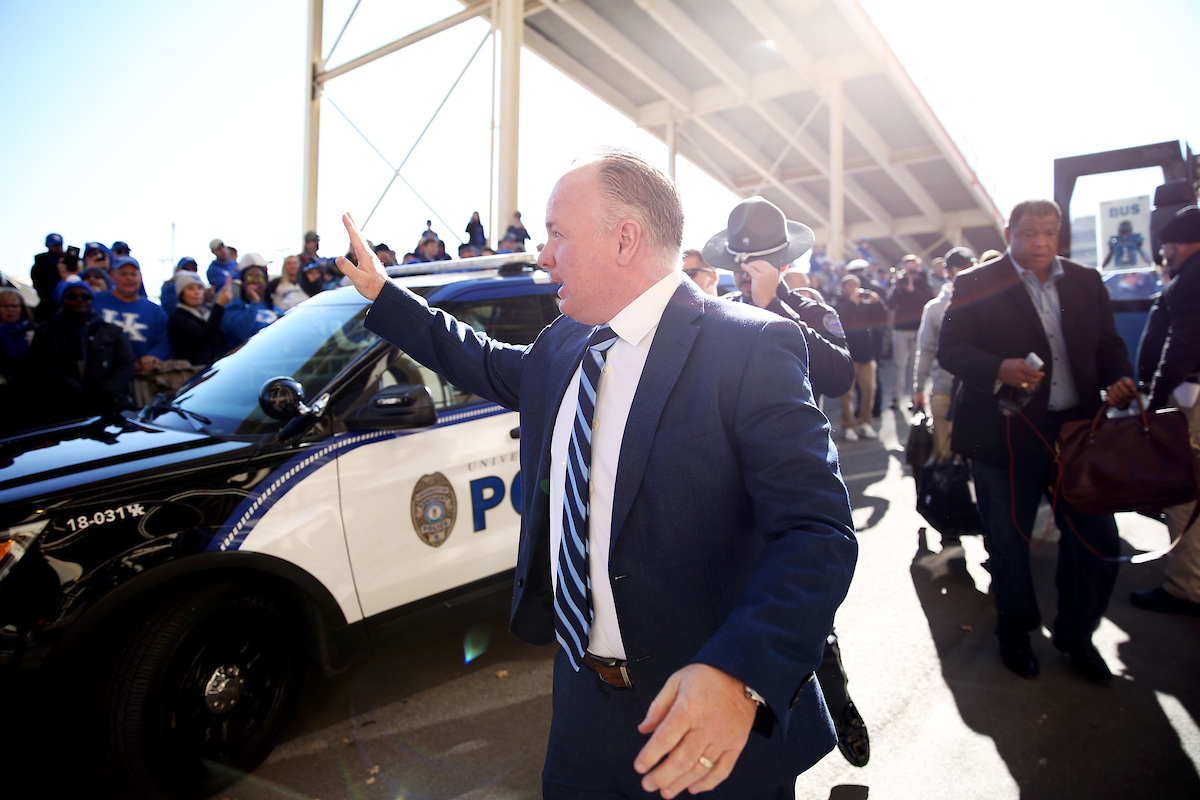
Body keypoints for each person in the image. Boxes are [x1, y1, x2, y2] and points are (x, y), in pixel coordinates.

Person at [338, 148, 856, 799]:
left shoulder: (750, 346)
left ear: (625, 239)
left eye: (557, 235)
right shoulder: (564, 344)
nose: (542, 255)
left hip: (707, 715)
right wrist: (387, 295)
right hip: (585, 705)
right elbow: (485, 362)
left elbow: (817, 532)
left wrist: (739, 675)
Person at [938, 198, 1137, 682]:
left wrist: (1120, 378)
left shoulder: (1087, 282)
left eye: (1049, 233)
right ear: (1009, 232)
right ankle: (1016, 633)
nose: (1039, 244)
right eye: (1029, 234)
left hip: (1076, 435)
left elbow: (1108, 345)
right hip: (1004, 435)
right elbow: (951, 349)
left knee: (1098, 541)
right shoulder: (977, 283)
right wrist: (998, 368)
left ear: (1060, 233)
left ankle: (1076, 633)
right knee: (1007, 544)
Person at [702, 196, 867, 768]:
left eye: (756, 264)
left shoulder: (812, 308)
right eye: (741, 266)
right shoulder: (716, 310)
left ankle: (834, 698)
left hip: (793, 474)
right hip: (729, 480)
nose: (745, 275)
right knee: (750, 594)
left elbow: (841, 374)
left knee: (804, 590)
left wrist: (776, 306)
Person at [1129, 205, 1200, 616]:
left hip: (1191, 399)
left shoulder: (1192, 279)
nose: (1165, 252)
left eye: (1168, 245)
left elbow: (1182, 345)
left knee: (1184, 493)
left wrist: (1156, 401)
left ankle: (1186, 588)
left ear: (1180, 242)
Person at [29, 279, 135, 424]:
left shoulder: (112, 331)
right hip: (60, 409)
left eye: (85, 297)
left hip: (108, 407)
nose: (79, 300)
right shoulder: (46, 332)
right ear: (62, 300)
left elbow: (125, 364)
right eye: (72, 296)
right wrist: (76, 390)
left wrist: (105, 391)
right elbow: (40, 366)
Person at [913, 247, 977, 462]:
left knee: (980, 460)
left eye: (971, 266)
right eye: (963, 267)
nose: (969, 271)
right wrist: (919, 388)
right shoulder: (935, 309)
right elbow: (926, 349)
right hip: (944, 390)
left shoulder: (986, 301)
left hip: (979, 391)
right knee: (947, 459)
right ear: (949, 272)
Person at [92, 256, 171, 375]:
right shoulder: (94, 301)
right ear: (112, 276)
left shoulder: (155, 311)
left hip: (138, 377)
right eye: (123, 274)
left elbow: (164, 342)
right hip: (97, 375)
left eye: (133, 274)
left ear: (140, 278)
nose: (129, 278)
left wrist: (153, 355)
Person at [833, 271, 887, 441]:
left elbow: (883, 317)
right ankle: (848, 425)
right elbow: (840, 320)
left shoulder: (866, 304)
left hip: (867, 353)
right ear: (843, 288)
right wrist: (851, 302)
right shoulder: (840, 304)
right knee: (847, 394)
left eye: (856, 284)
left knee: (869, 391)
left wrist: (878, 303)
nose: (855, 288)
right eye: (850, 285)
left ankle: (865, 423)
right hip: (848, 354)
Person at [886, 255, 933, 410]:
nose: (910, 272)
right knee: (898, 365)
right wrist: (897, 286)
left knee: (915, 365)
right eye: (908, 268)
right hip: (901, 329)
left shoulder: (923, 282)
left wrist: (912, 288)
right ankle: (896, 398)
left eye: (913, 268)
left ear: (918, 268)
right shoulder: (899, 282)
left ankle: (916, 398)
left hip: (917, 328)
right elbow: (890, 303)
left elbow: (928, 300)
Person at [169, 271, 232, 367]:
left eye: (199, 288)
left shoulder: (206, 314)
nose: (196, 292)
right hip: (192, 373)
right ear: (182, 294)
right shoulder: (178, 318)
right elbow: (203, 337)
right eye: (190, 288)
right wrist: (219, 306)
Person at [221, 254, 279, 350]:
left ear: (265, 283)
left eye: (260, 278)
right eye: (250, 278)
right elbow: (241, 331)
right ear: (243, 283)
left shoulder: (274, 309)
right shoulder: (234, 306)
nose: (255, 281)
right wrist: (254, 303)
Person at [31, 232, 66, 322]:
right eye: (54, 245)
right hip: (49, 310)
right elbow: (41, 288)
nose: (58, 247)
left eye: (59, 244)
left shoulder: (70, 261)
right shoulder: (40, 266)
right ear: (47, 245)